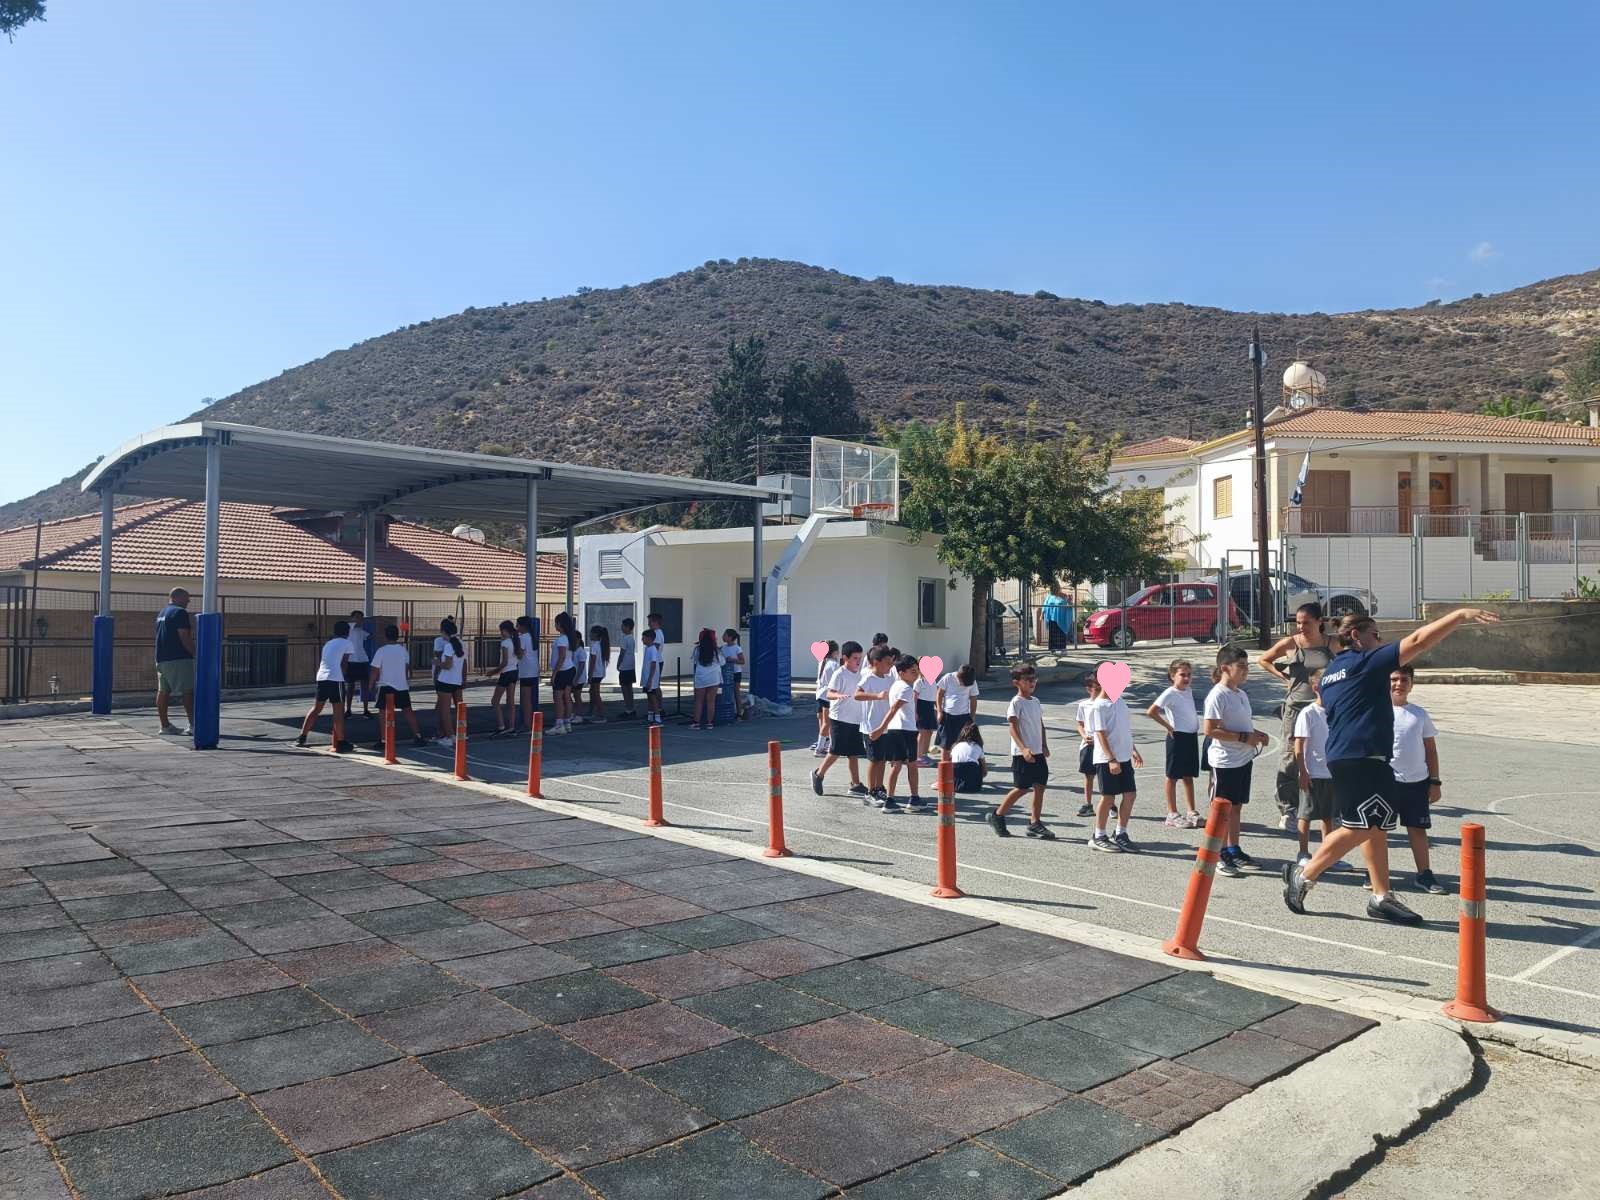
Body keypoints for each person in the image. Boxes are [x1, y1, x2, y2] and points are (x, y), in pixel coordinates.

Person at [1283, 608, 1500, 925]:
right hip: (1360, 757)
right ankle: (1304, 874)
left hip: (1356, 757)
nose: (1380, 640)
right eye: (1375, 634)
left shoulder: (1331, 673)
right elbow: (1418, 640)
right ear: (1356, 636)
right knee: (1361, 826)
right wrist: (1459, 615)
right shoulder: (1364, 661)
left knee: (1377, 825)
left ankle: (1381, 895)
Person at [1259, 603, 1334, 830]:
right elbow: (1264, 660)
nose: (1301, 627)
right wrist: (1283, 677)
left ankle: (1330, 808)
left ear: (1319, 621)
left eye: (1306, 622)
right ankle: (1288, 808)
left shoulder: (1332, 644)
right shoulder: (1291, 643)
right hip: (1296, 707)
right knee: (1290, 757)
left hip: (1324, 708)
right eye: (1298, 622)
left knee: (1326, 755)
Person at [1203, 645, 1270, 876]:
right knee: (1221, 809)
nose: (1245, 670)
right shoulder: (1217, 695)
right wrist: (1244, 737)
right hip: (1225, 762)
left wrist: (1257, 734)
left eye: (1246, 666)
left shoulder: (1240, 694)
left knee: (1236, 807)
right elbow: (1210, 730)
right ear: (1224, 668)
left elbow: (1243, 725)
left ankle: (1233, 849)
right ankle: (1217, 854)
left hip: (1243, 759)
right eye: (1240, 666)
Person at [1390, 665, 1446, 894]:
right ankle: (1374, 872)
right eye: (1394, 679)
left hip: (1416, 782)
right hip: (1385, 781)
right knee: (1377, 830)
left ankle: (1424, 874)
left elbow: (1430, 750)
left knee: (1417, 828)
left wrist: (1435, 781)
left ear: (1411, 685)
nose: (1399, 684)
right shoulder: (1376, 711)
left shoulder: (1419, 714)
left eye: (1404, 680)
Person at [986, 664, 1053, 839]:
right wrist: (1023, 749)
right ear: (1016, 682)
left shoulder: (1035, 701)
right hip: (1023, 754)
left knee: (1040, 786)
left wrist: (1044, 745)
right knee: (1021, 788)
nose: (1032, 682)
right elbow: (1013, 727)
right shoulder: (1016, 702)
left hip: (1037, 752)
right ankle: (997, 815)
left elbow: (1040, 725)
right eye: (1028, 679)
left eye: (1034, 678)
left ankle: (1034, 823)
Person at [1088, 669, 1144, 851]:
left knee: (1130, 795)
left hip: (1124, 756)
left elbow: (1124, 729)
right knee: (1108, 797)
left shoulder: (1120, 702)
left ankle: (1120, 833)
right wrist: (1111, 758)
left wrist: (1133, 750)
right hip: (1107, 759)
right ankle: (1098, 835)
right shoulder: (1099, 706)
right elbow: (1100, 733)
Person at [1146, 659, 1202, 829]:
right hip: (1177, 738)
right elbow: (1152, 711)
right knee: (1172, 776)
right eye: (1182, 675)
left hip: (1191, 737)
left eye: (1189, 675)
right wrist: (1168, 726)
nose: (1186, 678)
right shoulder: (1170, 692)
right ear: (1172, 676)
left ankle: (1191, 811)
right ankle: (1172, 813)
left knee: (1188, 775)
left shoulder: (1188, 691)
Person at [870, 655, 925, 813]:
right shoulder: (906, 688)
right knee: (912, 765)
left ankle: (890, 800)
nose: (916, 673)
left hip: (894, 730)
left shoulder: (895, 685)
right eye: (912, 671)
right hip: (906, 731)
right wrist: (880, 728)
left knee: (896, 765)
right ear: (901, 672)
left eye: (917, 670)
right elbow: (894, 709)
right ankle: (914, 798)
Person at [811, 641, 866, 797]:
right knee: (835, 751)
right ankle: (818, 774)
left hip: (855, 719)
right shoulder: (839, 673)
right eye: (855, 658)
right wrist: (838, 695)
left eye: (860, 658)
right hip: (839, 718)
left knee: (853, 753)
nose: (858, 661)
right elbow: (829, 693)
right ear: (845, 658)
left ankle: (855, 784)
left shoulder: (860, 674)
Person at [1293, 670, 1336, 865]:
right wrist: (1303, 771)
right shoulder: (1308, 713)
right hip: (1312, 772)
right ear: (1316, 687)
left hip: (1331, 772)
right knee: (1306, 814)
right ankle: (1303, 853)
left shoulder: (1336, 711)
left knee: (1328, 816)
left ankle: (1328, 855)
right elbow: (1299, 745)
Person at [369, 623, 427, 749]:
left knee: (383, 713)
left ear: (385, 636)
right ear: (397, 636)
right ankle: (418, 736)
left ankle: (384, 740)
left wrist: (370, 685)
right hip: (401, 686)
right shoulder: (403, 650)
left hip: (385, 685)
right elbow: (406, 669)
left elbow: (375, 671)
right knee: (408, 712)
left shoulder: (381, 651)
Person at [297, 620, 352, 751]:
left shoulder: (328, 643)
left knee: (316, 708)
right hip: (336, 678)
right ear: (347, 632)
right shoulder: (347, 643)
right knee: (338, 712)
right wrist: (344, 675)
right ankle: (341, 742)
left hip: (322, 677)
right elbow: (344, 663)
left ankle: (302, 737)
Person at [854, 646, 897, 805]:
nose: (890, 665)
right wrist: (877, 696)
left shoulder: (889, 678)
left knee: (882, 759)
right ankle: (870, 792)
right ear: (876, 662)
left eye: (891, 662)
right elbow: (857, 695)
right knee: (874, 759)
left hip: (885, 726)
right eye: (887, 662)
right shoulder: (869, 678)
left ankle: (879, 787)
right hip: (871, 726)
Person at [154, 587, 196, 735]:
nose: (188, 601)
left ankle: (165, 726)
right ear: (177, 597)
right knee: (188, 691)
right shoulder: (180, 612)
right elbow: (184, 636)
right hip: (178, 658)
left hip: (161, 658)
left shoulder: (162, 613)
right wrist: (196, 653)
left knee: (163, 691)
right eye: (186, 598)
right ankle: (194, 725)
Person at [432, 618, 465, 746]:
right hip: (456, 681)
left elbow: (448, 665)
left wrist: (437, 663)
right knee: (455, 709)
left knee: (444, 711)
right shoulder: (461, 643)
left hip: (445, 681)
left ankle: (450, 737)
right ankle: (458, 734)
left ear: (444, 631)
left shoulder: (448, 646)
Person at [934, 664, 980, 756]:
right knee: (945, 744)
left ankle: (958, 761)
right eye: (962, 682)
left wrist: (972, 716)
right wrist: (939, 711)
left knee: (962, 743)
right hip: (947, 716)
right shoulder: (948, 677)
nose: (963, 685)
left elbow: (973, 699)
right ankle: (945, 762)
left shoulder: (972, 682)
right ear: (958, 676)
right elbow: (939, 694)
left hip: (963, 716)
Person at [485, 620, 518, 737]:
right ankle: (511, 727)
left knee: (495, 700)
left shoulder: (505, 643)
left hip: (506, 673)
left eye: (501, 631)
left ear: (504, 631)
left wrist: (493, 672)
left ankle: (501, 726)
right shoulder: (515, 641)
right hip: (514, 672)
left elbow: (504, 662)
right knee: (510, 701)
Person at [1075, 673, 1100, 818]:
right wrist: (1084, 736)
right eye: (1096, 688)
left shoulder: (1106, 704)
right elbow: (1080, 724)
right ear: (1089, 689)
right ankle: (1088, 803)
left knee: (1105, 775)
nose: (1099, 691)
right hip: (1088, 744)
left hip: (1102, 744)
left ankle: (1110, 804)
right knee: (1088, 775)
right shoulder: (1084, 705)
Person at [343, 609, 373, 721]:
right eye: (356, 617)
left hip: (362, 660)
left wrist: (378, 624)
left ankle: (366, 710)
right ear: (352, 618)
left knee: (364, 686)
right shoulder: (348, 628)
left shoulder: (361, 631)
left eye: (360, 617)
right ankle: (348, 710)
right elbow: (353, 624)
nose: (359, 619)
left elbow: (370, 636)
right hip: (351, 661)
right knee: (350, 687)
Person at [549, 612, 576, 735]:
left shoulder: (561, 639)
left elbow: (561, 657)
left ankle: (559, 725)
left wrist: (554, 673)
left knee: (558, 697)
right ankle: (567, 723)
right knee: (567, 696)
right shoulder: (570, 638)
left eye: (556, 623)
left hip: (562, 671)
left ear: (560, 624)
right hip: (570, 669)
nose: (555, 625)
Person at [690, 628, 722, 729]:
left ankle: (696, 723)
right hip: (714, 677)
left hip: (701, 677)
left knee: (699, 701)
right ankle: (710, 723)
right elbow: (722, 662)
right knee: (711, 701)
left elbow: (695, 660)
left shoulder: (697, 649)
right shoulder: (716, 650)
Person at [814, 640, 840, 756]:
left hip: (820, 694)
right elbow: (837, 681)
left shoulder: (822, 661)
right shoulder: (834, 664)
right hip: (827, 696)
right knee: (827, 723)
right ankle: (820, 748)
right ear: (834, 652)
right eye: (837, 651)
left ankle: (825, 745)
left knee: (823, 722)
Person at [514, 615, 539, 733]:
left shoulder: (523, 638)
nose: (516, 627)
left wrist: (514, 651)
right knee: (529, 699)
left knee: (526, 700)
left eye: (518, 625)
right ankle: (529, 724)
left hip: (526, 671)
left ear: (522, 626)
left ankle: (528, 725)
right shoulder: (532, 637)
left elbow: (520, 655)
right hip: (533, 670)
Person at [912, 666, 939, 766]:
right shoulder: (919, 682)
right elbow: (914, 698)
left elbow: (935, 697)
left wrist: (939, 709)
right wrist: (915, 712)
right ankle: (917, 757)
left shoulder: (933, 681)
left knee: (929, 731)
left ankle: (924, 754)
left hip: (930, 707)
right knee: (922, 732)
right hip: (921, 707)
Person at [949, 723, 988, 793]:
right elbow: (984, 769)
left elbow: (951, 761)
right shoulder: (977, 746)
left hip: (955, 770)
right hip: (971, 770)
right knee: (979, 761)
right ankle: (972, 782)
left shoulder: (955, 746)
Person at [1038, 582, 1074, 652]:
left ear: (1058, 587)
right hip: (1052, 618)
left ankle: (1062, 649)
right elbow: (1045, 605)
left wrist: (1070, 601)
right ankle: (1053, 650)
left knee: (1061, 633)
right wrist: (1042, 614)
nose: (1053, 589)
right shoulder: (1049, 596)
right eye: (1052, 588)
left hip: (1061, 618)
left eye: (1055, 587)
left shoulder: (1064, 596)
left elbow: (1070, 605)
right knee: (1052, 634)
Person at [640, 627, 664, 725]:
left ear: (649, 639)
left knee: (653, 697)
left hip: (651, 678)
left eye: (643, 638)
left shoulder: (653, 649)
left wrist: (650, 679)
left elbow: (653, 664)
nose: (642, 640)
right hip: (647, 677)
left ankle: (658, 718)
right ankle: (650, 717)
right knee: (649, 697)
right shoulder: (648, 649)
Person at [587, 624, 611, 723]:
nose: (589, 635)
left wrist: (589, 675)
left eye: (591, 633)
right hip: (599, 672)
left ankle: (601, 716)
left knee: (596, 694)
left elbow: (592, 662)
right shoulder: (600, 645)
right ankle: (593, 713)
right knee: (592, 692)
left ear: (595, 634)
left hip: (595, 673)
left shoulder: (594, 645)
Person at [616, 617, 638, 719]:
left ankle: (628, 709)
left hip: (625, 667)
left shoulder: (625, 639)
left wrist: (618, 664)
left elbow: (622, 653)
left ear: (628, 627)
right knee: (629, 688)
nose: (622, 627)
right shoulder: (632, 638)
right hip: (631, 666)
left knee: (625, 689)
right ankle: (631, 708)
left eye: (623, 626)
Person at [721, 629, 746, 719]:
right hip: (725, 673)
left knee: (736, 692)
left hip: (736, 673)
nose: (723, 636)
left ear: (730, 637)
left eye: (725, 635)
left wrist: (733, 660)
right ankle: (727, 712)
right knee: (726, 692)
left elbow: (742, 661)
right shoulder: (722, 648)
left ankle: (739, 713)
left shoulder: (737, 648)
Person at [568, 634, 589, 724]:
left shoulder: (581, 651)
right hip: (572, 677)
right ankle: (573, 713)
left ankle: (579, 715)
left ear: (578, 639)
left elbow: (581, 666)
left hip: (579, 678)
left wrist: (576, 679)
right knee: (570, 695)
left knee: (577, 696)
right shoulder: (573, 650)